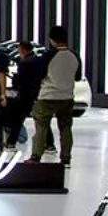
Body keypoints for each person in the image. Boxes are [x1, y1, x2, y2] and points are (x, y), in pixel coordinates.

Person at [31, 25, 81, 167]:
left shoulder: (48, 55)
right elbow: (77, 77)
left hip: (48, 96)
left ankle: (36, 156)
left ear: (52, 40)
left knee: (41, 126)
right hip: (67, 97)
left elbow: (39, 75)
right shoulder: (75, 55)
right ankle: (66, 158)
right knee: (66, 128)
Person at [3, 41, 47, 148]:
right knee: (41, 120)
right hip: (37, 93)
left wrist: (15, 81)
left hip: (25, 94)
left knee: (17, 119)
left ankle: (11, 142)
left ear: (23, 50)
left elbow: (21, 80)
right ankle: (49, 144)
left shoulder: (24, 63)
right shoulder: (39, 60)